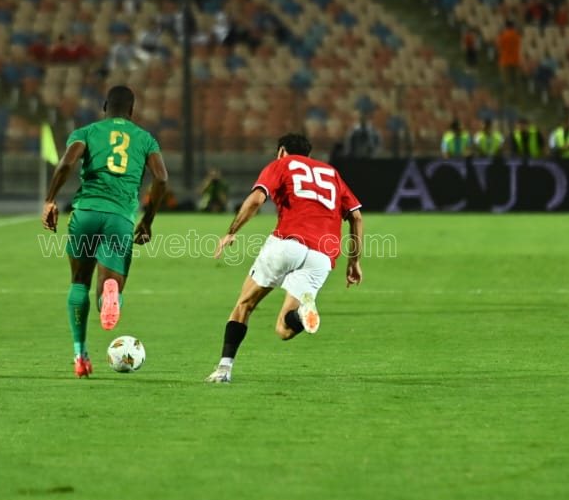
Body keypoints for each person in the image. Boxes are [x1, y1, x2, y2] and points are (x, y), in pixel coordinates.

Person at [205, 133, 363, 383]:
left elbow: (256, 200)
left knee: (244, 304)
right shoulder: (331, 173)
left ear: (281, 152)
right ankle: (301, 315)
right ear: (309, 155)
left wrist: (231, 231)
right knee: (284, 329)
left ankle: (224, 369)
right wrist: (354, 261)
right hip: (322, 256)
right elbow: (356, 216)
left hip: (288, 243)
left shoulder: (281, 164)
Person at [43, 85, 168, 378]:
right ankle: (109, 294)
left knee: (78, 282)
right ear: (132, 110)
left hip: (86, 213)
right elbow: (161, 178)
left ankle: (80, 355)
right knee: (110, 283)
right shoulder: (145, 139)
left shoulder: (86, 132)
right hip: (119, 218)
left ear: (104, 107)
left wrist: (50, 200)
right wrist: (148, 220)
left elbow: (66, 163)